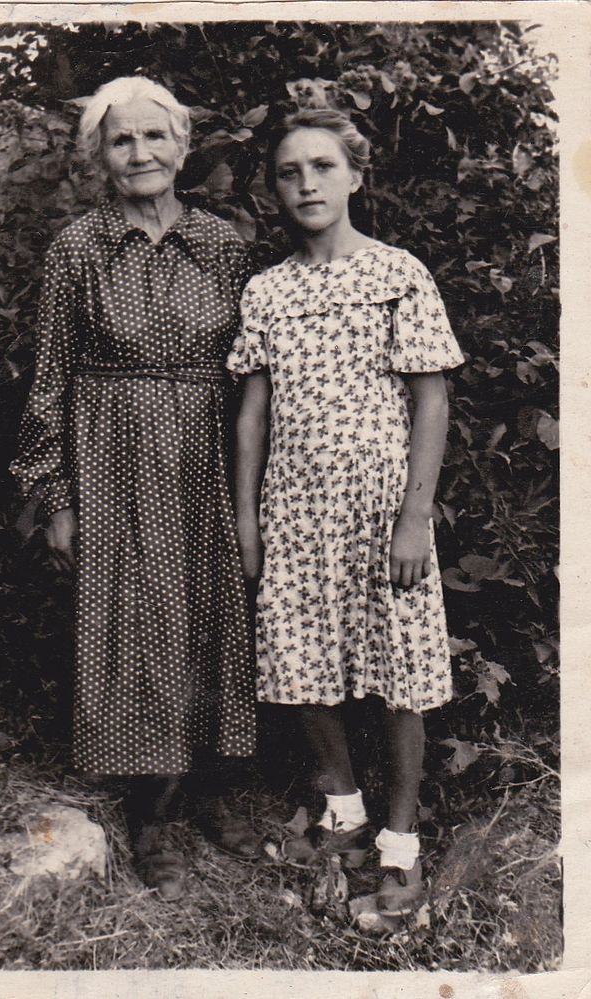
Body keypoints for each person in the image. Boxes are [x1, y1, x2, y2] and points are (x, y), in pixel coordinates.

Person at [11, 76, 260, 902]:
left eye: (155, 136)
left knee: (214, 610)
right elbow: (50, 378)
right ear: (100, 156)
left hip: (207, 452)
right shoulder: (78, 248)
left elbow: (252, 372)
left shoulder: (222, 244)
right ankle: (152, 810)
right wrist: (55, 494)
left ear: (183, 147)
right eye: (122, 140)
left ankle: (212, 786)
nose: (140, 152)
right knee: (136, 620)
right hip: (112, 455)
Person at [228, 108, 464, 915]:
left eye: (323, 166)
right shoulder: (267, 290)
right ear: (274, 189)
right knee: (297, 658)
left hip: (381, 509)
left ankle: (400, 841)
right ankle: (344, 808)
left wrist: (414, 518)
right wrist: (248, 518)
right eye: (289, 172)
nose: (307, 184)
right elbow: (252, 415)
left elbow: (431, 402)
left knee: (401, 669)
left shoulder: (399, 274)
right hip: (294, 509)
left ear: (356, 176)